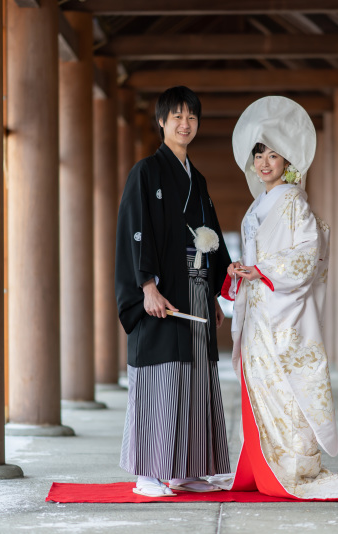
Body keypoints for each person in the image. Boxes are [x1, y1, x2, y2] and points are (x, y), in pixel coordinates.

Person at [217, 96, 338, 501]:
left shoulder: (294, 201)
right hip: (260, 316)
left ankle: (292, 465)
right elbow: (257, 260)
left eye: (274, 156)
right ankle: (262, 466)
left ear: (288, 162)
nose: (265, 163)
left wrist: (263, 270)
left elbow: (308, 253)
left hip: (283, 316)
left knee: (288, 391)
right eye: (259, 155)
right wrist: (242, 270)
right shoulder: (255, 208)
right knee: (259, 390)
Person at [114, 86, 232, 497]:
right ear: (161, 121)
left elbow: (211, 238)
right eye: (177, 116)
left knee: (194, 381)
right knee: (159, 378)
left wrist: (214, 294)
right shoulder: (146, 172)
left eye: (192, 117)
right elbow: (135, 230)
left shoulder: (196, 180)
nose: (185, 124)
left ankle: (186, 469)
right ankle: (147, 473)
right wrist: (145, 285)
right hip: (161, 293)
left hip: (195, 294)